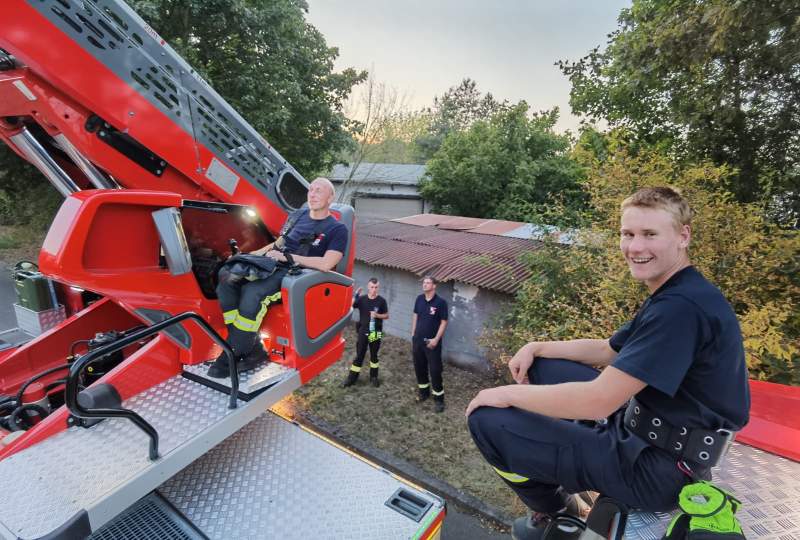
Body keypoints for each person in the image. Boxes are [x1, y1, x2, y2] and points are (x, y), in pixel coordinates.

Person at [465, 187, 750, 540]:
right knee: (542, 366)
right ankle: (572, 462)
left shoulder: (681, 309)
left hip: (658, 470)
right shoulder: (678, 290)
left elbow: (599, 400)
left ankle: (557, 509)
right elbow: (609, 350)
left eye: (649, 234)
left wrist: (504, 394)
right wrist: (537, 346)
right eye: (627, 234)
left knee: (485, 421)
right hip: (647, 433)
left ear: (683, 236)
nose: (635, 247)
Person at [208, 177, 348, 378]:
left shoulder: (336, 229)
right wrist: (252, 255)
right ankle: (250, 345)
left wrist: (288, 257)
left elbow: (327, 263)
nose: (313, 194)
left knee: (252, 292)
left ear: (330, 197)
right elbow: (279, 244)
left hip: (298, 275)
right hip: (275, 263)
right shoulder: (299, 216)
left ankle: (231, 354)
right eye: (311, 190)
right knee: (227, 277)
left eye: (319, 191)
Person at [342, 277, 389, 388]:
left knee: (374, 356)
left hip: (375, 332)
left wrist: (377, 315)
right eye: (372, 287)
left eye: (376, 287)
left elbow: (386, 315)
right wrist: (356, 295)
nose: (374, 289)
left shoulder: (382, 301)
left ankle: (374, 377)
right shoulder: (362, 299)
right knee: (359, 355)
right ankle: (352, 378)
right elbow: (351, 306)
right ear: (368, 287)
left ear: (378, 287)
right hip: (363, 331)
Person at [412, 276, 449, 413]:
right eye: (424, 282)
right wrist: (413, 333)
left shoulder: (441, 303)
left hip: (432, 343)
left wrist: (436, 339)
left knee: (435, 370)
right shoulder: (419, 299)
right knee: (419, 367)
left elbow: (444, 322)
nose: (425, 285)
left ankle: (439, 399)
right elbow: (415, 315)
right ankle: (424, 392)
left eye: (428, 283)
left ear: (434, 286)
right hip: (418, 341)